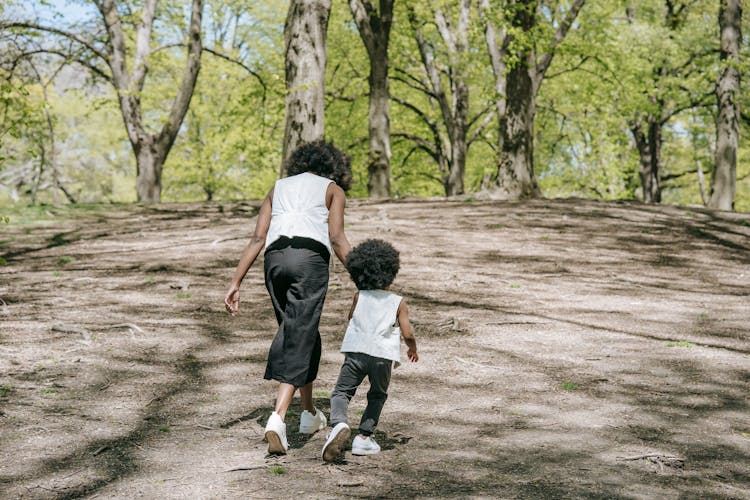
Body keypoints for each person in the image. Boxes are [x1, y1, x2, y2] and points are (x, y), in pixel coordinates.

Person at [224, 141, 353, 455]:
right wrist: (362, 275)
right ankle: (278, 417)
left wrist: (235, 281)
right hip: (309, 261)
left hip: (275, 261)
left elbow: (258, 237)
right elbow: (336, 238)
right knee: (299, 331)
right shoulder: (332, 189)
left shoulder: (277, 187)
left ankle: (308, 413)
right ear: (333, 166)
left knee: (301, 330)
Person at [322, 239, 418, 461]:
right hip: (383, 357)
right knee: (377, 395)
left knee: (341, 392)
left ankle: (339, 424)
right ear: (391, 272)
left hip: (356, 352)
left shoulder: (359, 296)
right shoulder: (398, 302)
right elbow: (408, 333)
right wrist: (412, 349)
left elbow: (351, 318)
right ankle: (364, 438)